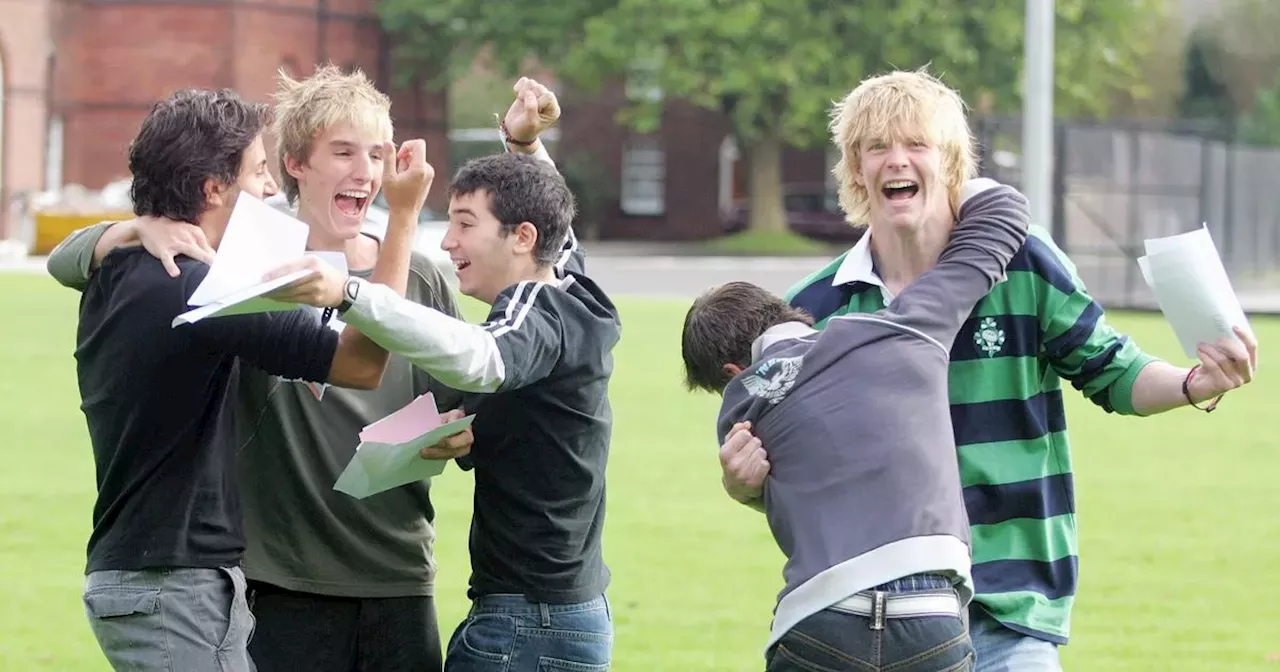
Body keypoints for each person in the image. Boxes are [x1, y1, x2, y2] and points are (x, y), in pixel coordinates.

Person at [717, 68, 1260, 671]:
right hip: (877, 616)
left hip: (1011, 606)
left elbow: (1113, 369)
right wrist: (748, 484)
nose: (897, 160)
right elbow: (804, 470)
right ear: (855, 167)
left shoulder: (1024, 261)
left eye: (916, 143)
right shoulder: (818, 308)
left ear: (950, 161)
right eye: (877, 147)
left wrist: (1193, 384)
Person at [47, 65, 472, 671]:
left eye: (376, 154)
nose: (268, 187)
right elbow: (358, 362)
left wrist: (131, 229)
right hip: (243, 579)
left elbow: (463, 389)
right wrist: (130, 228)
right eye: (260, 171)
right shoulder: (232, 278)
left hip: (382, 573)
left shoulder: (155, 272)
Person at [267, 78, 621, 672]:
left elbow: (481, 360)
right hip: (552, 613)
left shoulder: (539, 311)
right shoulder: (572, 286)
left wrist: (351, 293)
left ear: (523, 238)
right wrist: (524, 148)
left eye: (463, 224)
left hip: (525, 622)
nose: (449, 241)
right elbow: (553, 225)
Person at [682, 177, 1028, 671]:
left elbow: (792, 478)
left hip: (818, 618)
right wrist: (948, 174)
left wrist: (743, 491)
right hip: (930, 611)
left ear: (732, 373)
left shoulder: (743, 405)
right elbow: (1004, 216)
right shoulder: (903, 329)